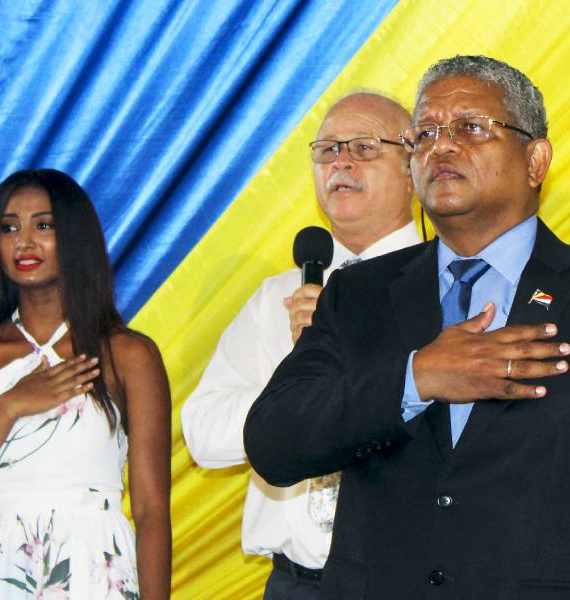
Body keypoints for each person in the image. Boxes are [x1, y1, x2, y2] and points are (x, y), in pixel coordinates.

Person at [245, 56, 570, 599]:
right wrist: (415, 378)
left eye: (471, 128)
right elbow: (274, 442)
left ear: (536, 160)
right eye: (426, 133)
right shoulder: (360, 294)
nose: (442, 146)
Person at [181, 92, 421, 598]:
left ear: (413, 166)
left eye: (363, 146)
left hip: (406, 579)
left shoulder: (448, 286)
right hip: (295, 585)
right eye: (328, 149)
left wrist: (356, 362)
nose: (341, 162)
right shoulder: (278, 298)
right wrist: (297, 380)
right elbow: (202, 434)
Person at [0, 169, 171, 599]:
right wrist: (11, 404)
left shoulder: (128, 355)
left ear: (76, 237)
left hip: (96, 572)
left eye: (43, 225)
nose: (24, 242)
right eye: (9, 228)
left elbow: (151, 511)